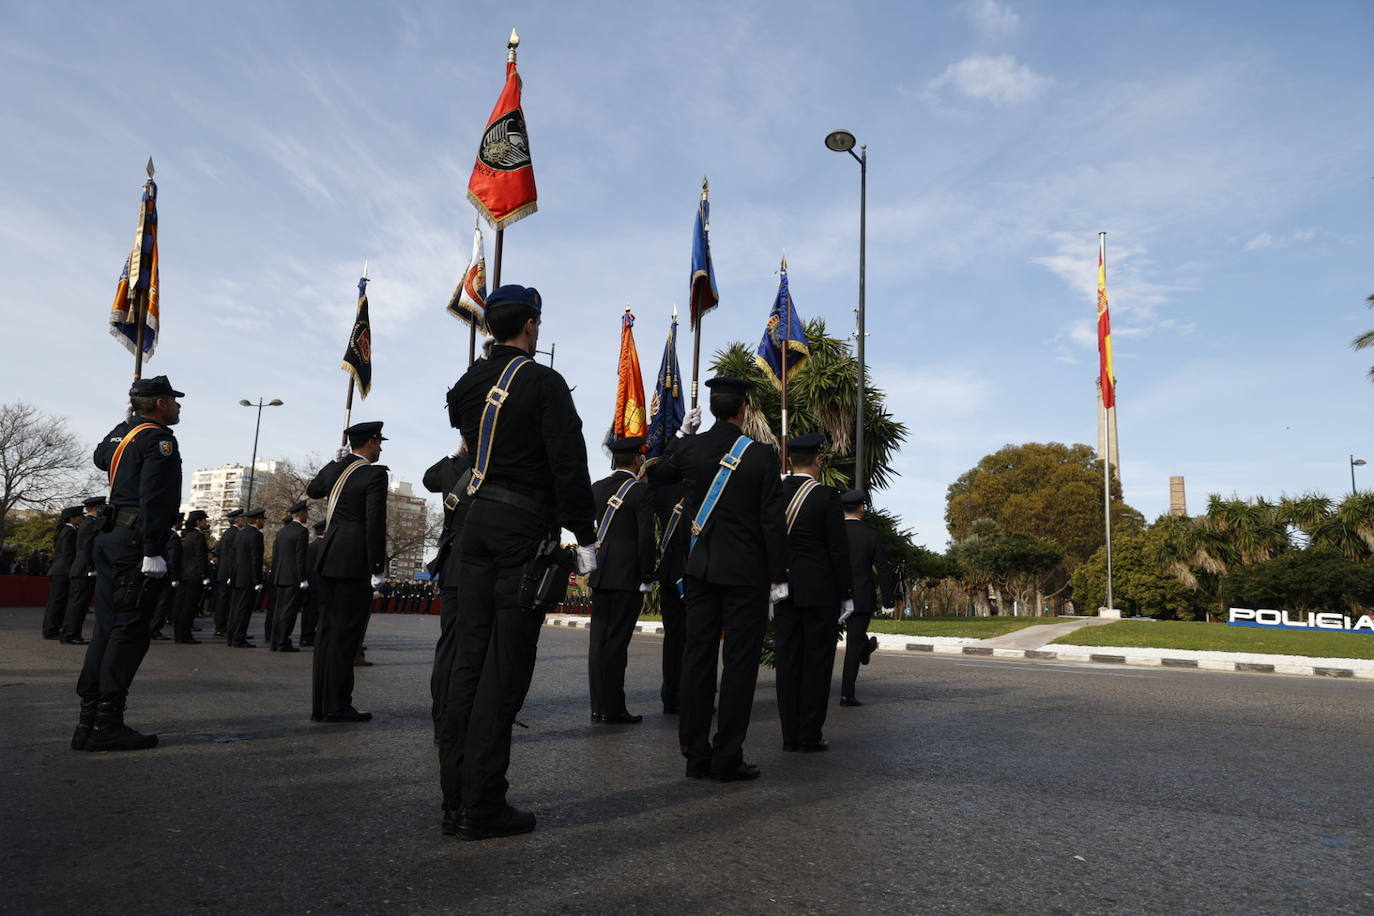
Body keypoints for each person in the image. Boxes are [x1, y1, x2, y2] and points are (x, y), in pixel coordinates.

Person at [437, 284, 597, 841]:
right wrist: (587, 534)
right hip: (520, 527)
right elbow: (568, 462)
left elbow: (459, 411)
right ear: (531, 323)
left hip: (473, 524)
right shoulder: (544, 382)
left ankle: (453, 799)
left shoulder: (473, 382)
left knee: (466, 664)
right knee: (504, 668)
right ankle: (482, 804)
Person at [649, 376, 787, 783]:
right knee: (740, 664)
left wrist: (679, 436)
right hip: (746, 574)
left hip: (701, 570)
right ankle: (728, 755)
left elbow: (658, 476)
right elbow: (772, 522)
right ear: (743, 409)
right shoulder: (762, 456)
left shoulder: (690, 449)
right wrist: (779, 575)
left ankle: (694, 754)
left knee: (698, 659)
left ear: (710, 410)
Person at [73, 375, 184, 752]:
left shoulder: (129, 435)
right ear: (159, 404)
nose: (179, 406)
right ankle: (106, 724)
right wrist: (153, 548)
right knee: (129, 631)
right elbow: (155, 496)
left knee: (108, 628)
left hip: (112, 538)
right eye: (173, 400)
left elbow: (101, 455)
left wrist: (127, 423)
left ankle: (89, 721)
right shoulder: (159, 440)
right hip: (136, 541)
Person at [305, 421, 389, 723]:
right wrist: (377, 567)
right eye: (379, 442)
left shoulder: (338, 470)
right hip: (354, 561)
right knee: (345, 635)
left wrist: (333, 462)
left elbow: (313, 490)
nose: (380, 448)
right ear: (370, 442)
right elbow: (375, 523)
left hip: (329, 557)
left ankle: (321, 705)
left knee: (326, 633)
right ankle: (337, 705)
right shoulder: (374, 474)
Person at [774, 433, 852, 752]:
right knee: (817, 663)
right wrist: (847, 592)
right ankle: (809, 733)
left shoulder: (775, 493)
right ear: (817, 460)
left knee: (788, 660)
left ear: (791, 460)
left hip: (784, 588)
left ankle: (789, 734)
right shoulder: (827, 496)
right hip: (820, 589)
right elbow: (838, 549)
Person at [587, 436, 654, 725]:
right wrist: (647, 575)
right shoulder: (641, 491)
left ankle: (597, 707)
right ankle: (613, 708)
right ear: (638, 461)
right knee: (616, 645)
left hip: (601, 575)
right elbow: (646, 539)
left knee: (598, 644)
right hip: (628, 578)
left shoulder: (597, 488)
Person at [422, 439, 473, 744]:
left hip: (453, 565)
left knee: (449, 646)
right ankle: (465, 720)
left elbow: (429, 479)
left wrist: (452, 454)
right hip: (484, 566)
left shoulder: (451, 468)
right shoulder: (491, 466)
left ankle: (443, 719)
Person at [839, 489, 898, 707]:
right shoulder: (871, 535)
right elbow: (883, 569)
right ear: (862, 508)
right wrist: (889, 600)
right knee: (854, 644)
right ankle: (847, 694)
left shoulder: (832, 532)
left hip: (831, 594)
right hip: (861, 595)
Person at [652, 475, 688, 715]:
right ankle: (689, 695)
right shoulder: (704, 488)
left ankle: (670, 695)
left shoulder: (662, 490)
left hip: (668, 572)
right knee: (693, 639)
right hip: (692, 573)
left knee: (673, 638)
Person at [61, 497, 106, 644]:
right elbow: (86, 548)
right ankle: (71, 635)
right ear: (96, 508)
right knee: (78, 605)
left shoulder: (87, 523)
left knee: (77, 604)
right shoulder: (89, 524)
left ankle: (71, 634)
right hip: (83, 570)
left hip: (81, 569)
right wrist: (91, 567)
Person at [271, 500, 310, 652]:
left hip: (280, 576)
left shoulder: (282, 532)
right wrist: (302, 578)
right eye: (306, 513)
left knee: (278, 610)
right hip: (293, 577)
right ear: (301, 514)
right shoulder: (302, 532)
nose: (307, 515)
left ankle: (275, 641)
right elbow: (300, 557)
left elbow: (276, 556)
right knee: (289, 611)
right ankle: (283, 642)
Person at [42, 507, 82, 640]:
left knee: (54, 601)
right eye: (79, 516)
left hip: (57, 570)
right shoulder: (69, 531)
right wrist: (71, 570)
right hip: (63, 571)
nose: (81, 518)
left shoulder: (65, 531)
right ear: (72, 518)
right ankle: (51, 630)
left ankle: (49, 629)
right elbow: (68, 554)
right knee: (58, 602)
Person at [227, 508, 266, 647]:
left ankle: (232, 635)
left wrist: (232, 575)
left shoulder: (240, 534)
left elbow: (233, 557)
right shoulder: (256, 535)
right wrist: (257, 580)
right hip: (248, 577)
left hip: (238, 576)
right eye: (262, 520)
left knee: (235, 608)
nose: (263, 522)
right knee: (244, 609)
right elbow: (255, 559)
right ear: (257, 520)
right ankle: (239, 637)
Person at [174, 510, 210, 644]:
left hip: (184, 574)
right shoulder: (198, 537)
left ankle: (179, 634)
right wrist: (205, 575)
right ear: (198, 521)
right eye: (204, 520)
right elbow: (201, 557)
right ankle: (185, 635)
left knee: (182, 605)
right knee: (190, 607)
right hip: (194, 575)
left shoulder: (186, 535)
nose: (205, 522)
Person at [149, 512, 184, 641]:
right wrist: (175, 576)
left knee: (158, 601)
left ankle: (153, 627)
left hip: (160, 571)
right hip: (169, 574)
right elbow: (173, 558)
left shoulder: (162, 533)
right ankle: (155, 629)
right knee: (163, 603)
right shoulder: (173, 536)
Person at [213, 509, 244, 637]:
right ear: (237, 520)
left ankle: (221, 626)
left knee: (223, 600)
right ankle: (222, 627)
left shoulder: (227, 533)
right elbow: (233, 556)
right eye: (242, 518)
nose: (244, 520)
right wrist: (232, 574)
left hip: (224, 572)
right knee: (226, 601)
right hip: (229, 573)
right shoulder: (235, 534)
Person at [301, 521, 325, 648]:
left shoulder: (311, 546)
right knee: (318, 613)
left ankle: (305, 636)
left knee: (308, 611)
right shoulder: (325, 546)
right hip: (321, 584)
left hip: (310, 583)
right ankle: (312, 636)